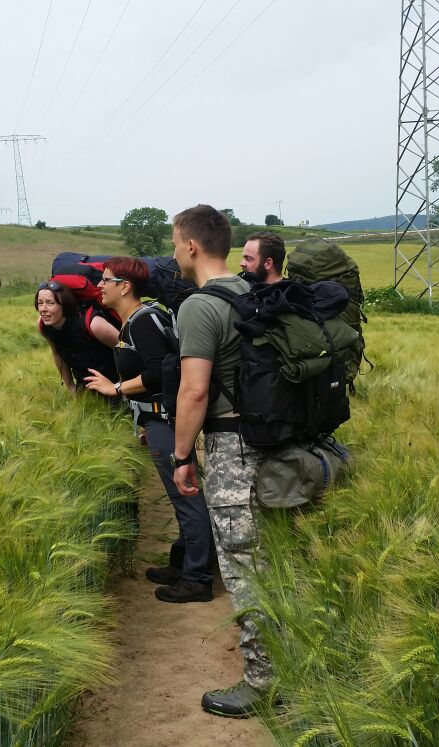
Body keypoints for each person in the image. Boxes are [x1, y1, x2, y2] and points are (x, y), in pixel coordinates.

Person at [169, 204, 271, 718]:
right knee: (274, 561)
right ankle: (293, 664)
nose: (174, 253)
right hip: (274, 446)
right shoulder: (255, 292)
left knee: (243, 569)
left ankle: (263, 682)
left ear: (191, 246)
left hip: (232, 450)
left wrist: (182, 455)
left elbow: (194, 391)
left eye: (174, 244)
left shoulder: (199, 306)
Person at [81, 257, 217, 604]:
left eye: (106, 280)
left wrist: (116, 388)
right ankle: (184, 563)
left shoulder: (143, 321)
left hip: (165, 421)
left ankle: (198, 579)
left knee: (186, 496)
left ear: (125, 286)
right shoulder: (135, 321)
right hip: (155, 420)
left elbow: (157, 374)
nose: (99, 286)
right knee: (182, 495)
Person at [35, 280, 120, 392]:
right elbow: (57, 354)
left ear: (64, 305)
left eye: (50, 303)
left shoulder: (94, 324)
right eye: (40, 303)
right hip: (85, 388)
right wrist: (71, 387)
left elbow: (128, 350)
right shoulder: (44, 326)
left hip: (116, 385)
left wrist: (119, 387)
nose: (43, 309)